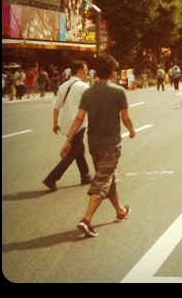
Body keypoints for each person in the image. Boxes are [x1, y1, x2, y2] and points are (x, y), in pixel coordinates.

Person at [60, 53, 135, 238]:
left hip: (93, 144)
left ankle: (120, 211)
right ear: (112, 72)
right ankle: (86, 219)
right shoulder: (118, 91)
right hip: (111, 145)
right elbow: (125, 118)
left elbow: (79, 118)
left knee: (107, 178)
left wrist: (68, 140)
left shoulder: (88, 92)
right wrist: (132, 131)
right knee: (103, 180)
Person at [42, 60, 92, 191]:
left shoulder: (63, 85)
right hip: (78, 124)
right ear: (80, 70)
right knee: (71, 154)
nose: (87, 72)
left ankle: (85, 176)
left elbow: (56, 106)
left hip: (66, 123)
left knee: (79, 150)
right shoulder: (83, 87)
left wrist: (55, 123)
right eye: (86, 70)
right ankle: (51, 179)